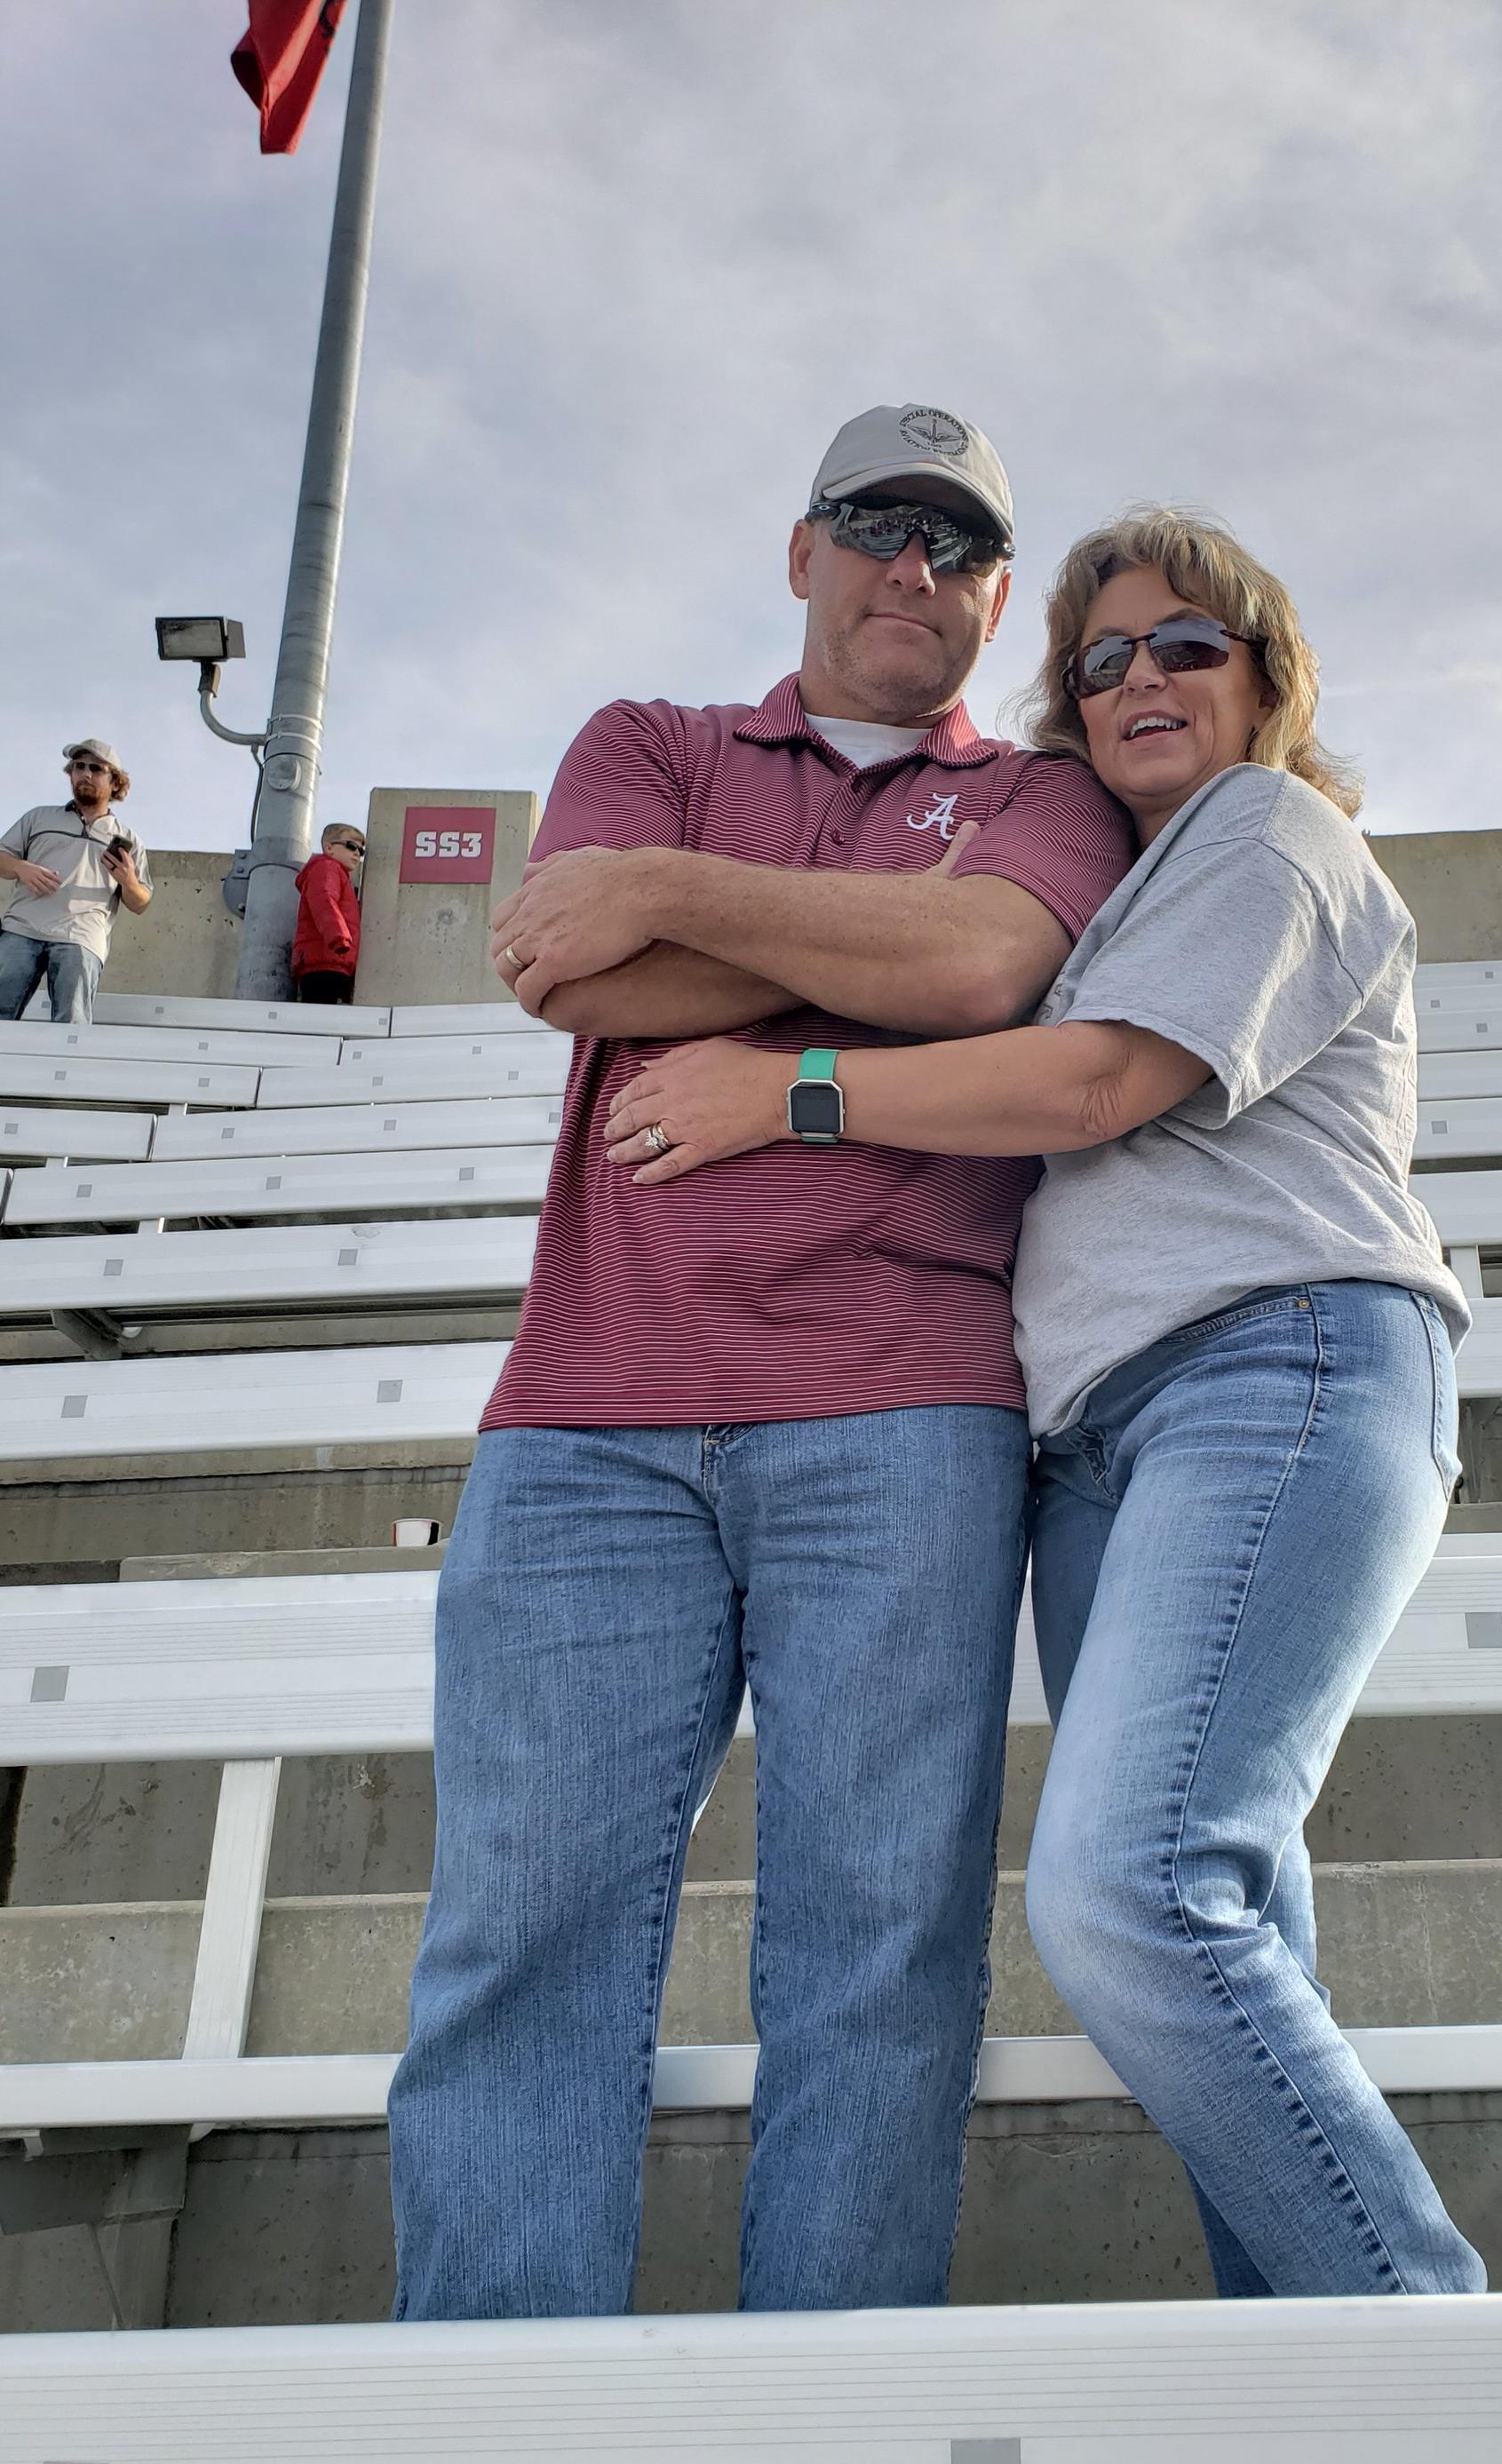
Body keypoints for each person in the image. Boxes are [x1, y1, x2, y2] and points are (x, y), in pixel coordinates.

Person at [597, 505, 1485, 2306]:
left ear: (1266, 677)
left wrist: (797, 1093)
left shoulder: (1268, 827)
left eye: (1185, 646)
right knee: (1227, 1915)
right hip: (1098, 1431)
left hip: (1278, 1356)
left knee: (1131, 1896)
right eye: (1097, 661)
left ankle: (1438, 2393)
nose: (1137, 677)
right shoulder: (1114, 885)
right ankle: (1338, 2461)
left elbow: (1095, 1087)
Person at [385, 405, 1131, 2320]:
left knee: (878, 1951)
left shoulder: (1049, 795)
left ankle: (835, 2453)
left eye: (964, 549)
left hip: (905, 1410)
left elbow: (984, 977)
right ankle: (490, 2449)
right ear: (801, 553)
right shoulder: (652, 743)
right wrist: (869, 943)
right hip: (588, 1426)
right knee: (521, 1933)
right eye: (882, 526)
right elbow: (571, 971)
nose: (921, 571)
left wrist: (686, 899)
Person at [0, 740, 151, 1022]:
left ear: (115, 783)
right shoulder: (39, 818)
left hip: (81, 939)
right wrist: (22, 868)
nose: (85, 774)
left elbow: (141, 902)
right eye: (78, 767)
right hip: (22, 930)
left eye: (96, 768)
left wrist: (129, 881)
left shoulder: (128, 840)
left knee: (72, 1025)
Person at [290, 819, 366, 1001]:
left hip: (333, 960)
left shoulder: (338, 874)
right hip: (325, 959)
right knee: (320, 1019)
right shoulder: (326, 867)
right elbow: (323, 900)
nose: (357, 853)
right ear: (329, 847)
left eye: (361, 850)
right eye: (351, 846)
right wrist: (338, 937)